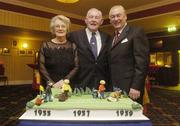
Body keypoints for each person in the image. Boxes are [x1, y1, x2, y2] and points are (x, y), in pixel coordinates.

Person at [109, 5, 149, 104]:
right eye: (113, 17)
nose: (116, 19)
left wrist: (136, 86)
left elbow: (142, 63)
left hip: (130, 88)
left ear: (125, 16)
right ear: (110, 20)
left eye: (118, 15)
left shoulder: (136, 32)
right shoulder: (112, 38)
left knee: (130, 117)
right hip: (114, 86)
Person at [68, 8, 112, 90]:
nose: (93, 20)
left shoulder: (108, 38)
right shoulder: (73, 36)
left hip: (102, 85)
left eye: (96, 17)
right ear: (86, 20)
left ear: (101, 21)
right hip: (80, 84)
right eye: (91, 17)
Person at [39, 15, 78, 89]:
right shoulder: (45, 45)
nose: (60, 29)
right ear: (53, 29)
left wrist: (64, 81)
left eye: (63, 26)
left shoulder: (73, 46)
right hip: (49, 85)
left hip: (68, 85)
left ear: (67, 29)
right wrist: (51, 83)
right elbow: (41, 67)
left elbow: (76, 66)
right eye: (57, 26)